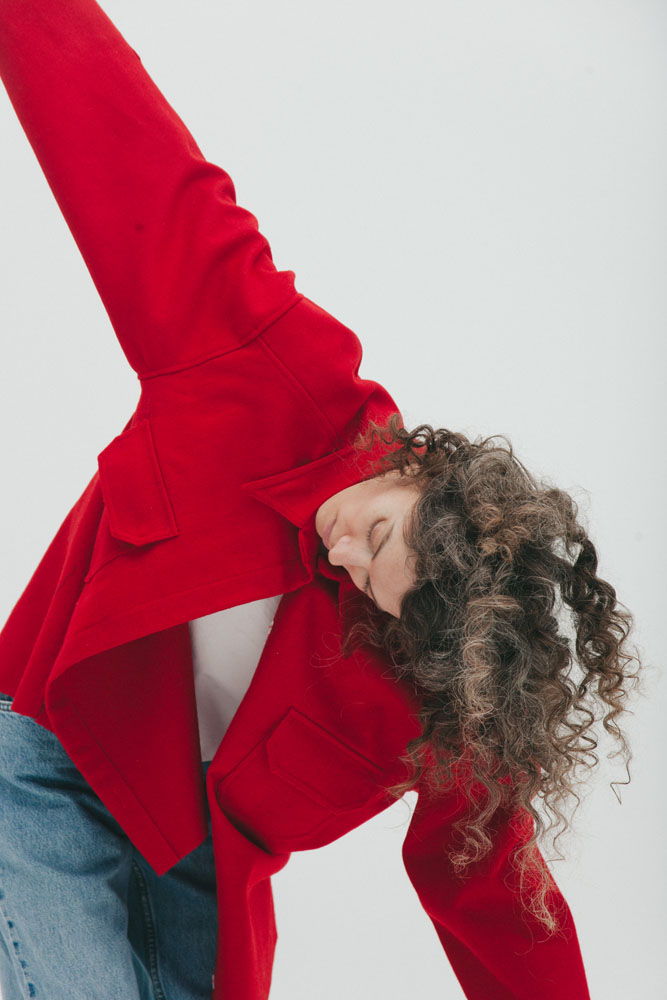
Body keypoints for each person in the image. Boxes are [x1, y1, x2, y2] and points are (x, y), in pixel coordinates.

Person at [0, 2, 642, 999]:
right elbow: (126, 155)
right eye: (376, 533)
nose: (342, 558)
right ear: (419, 465)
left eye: (373, 588)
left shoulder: (440, 683)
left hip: (196, 869)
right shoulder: (270, 365)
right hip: (44, 767)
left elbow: (491, 891)